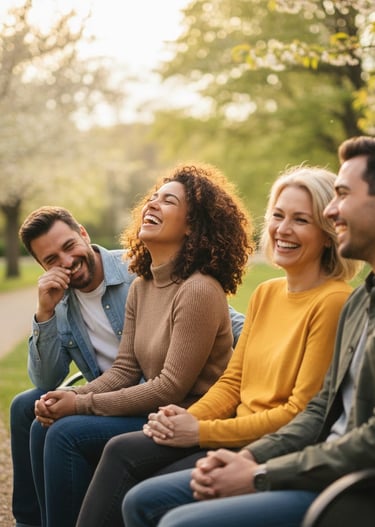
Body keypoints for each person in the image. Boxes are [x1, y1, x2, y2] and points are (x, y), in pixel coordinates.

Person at [75, 164, 360, 527]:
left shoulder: (333, 301)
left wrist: (201, 431)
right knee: (126, 458)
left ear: (326, 232)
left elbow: (298, 413)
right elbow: (232, 382)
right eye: (277, 215)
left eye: (301, 220)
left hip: (267, 446)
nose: (283, 229)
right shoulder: (266, 293)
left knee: (144, 491)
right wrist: (187, 418)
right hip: (229, 433)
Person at [30, 162, 252, 527]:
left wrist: (82, 405)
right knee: (45, 423)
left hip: (190, 417)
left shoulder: (198, 288)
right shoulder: (143, 285)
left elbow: (170, 386)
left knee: (67, 433)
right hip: (158, 410)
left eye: (168, 201)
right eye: (152, 198)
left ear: (192, 225)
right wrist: (72, 398)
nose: (152, 204)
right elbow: (125, 369)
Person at [10, 205, 136, 527]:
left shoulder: (135, 268)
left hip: (139, 395)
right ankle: (30, 521)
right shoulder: (60, 300)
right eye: (51, 260)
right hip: (103, 388)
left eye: (69, 246)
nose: (66, 262)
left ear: (83, 233)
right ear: (42, 266)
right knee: (25, 405)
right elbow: (47, 378)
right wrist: (45, 313)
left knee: (55, 428)